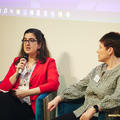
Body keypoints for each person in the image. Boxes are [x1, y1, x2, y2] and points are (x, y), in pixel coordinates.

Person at [48, 32, 120, 120]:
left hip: (101, 116)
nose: (97, 51)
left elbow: (117, 98)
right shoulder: (98, 69)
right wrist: (59, 98)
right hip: (82, 112)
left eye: (100, 47)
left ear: (110, 50)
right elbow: (80, 86)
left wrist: (95, 109)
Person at [0, 28, 59, 120]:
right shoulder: (17, 61)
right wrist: (16, 72)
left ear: (39, 44)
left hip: (29, 105)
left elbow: (54, 84)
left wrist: (26, 93)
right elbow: (3, 87)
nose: (27, 44)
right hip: (12, 100)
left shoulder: (48, 62)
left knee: (4, 100)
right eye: (25, 40)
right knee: (3, 98)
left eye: (31, 40)